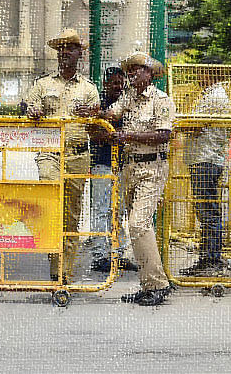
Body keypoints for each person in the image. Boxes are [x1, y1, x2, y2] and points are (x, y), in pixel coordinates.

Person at [90, 53, 175, 306]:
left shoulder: (161, 101)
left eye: (139, 69)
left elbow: (163, 135)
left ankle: (158, 284)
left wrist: (128, 137)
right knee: (135, 226)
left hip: (152, 166)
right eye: (131, 70)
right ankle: (148, 283)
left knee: (139, 223)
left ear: (150, 74)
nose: (133, 74)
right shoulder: (128, 98)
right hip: (130, 168)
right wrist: (95, 112)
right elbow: (111, 115)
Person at [21, 28, 101, 285]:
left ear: (79, 54)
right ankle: (55, 262)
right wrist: (31, 110)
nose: (65, 52)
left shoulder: (89, 89)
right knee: (52, 199)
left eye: (71, 47)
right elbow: (26, 106)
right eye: (61, 48)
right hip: (50, 153)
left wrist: (92, 114)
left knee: (70, 216)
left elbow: (97, 123)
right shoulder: (43, 84)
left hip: (77, 155)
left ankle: (62, 273)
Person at [180, 58, 231, 276]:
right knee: (204, 210)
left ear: (210, 73)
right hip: (202, 158)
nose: (199, 77)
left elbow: (194, 126)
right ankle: (206, 258)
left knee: (207, 211)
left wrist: (178, 124)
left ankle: (212, 260)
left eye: (202, 72)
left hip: (207, 159)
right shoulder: (208, 95)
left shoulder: (216, 97)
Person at [88, 66, 135, 275]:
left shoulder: (127, 104)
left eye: (120, 82)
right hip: (103, 164)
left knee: (119, 211)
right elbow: (93, 133)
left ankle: (118, 254)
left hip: (123, 166)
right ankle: (100, 255)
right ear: (106, 84)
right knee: (101, 210)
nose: (118, 86)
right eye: (114, 82)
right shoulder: (99, 105)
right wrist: (111, 136)